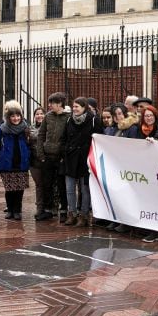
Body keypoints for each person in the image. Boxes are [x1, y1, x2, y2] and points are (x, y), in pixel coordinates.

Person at [62, 97, 104, 227]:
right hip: (71, 158)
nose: (74, 109)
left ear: (84, 107)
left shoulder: (93, 120)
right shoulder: (69, 120)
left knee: (85, 189)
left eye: (77, 107)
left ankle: (84, 215)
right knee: (69, 188)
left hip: (85, 159)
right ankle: (72, 213)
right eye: (73, 107)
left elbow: (98, 138)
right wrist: (66, 151)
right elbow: (64, 137)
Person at [0, 101, 31, 220]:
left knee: (20, 188)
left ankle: (18, 211)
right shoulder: (3, 129)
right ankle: (10, 209)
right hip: (7, 163)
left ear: (21, 116)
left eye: (18, 115)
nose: (16, 118)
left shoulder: (25, 128)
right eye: (13, 116)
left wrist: (28, 153)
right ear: (8, 117)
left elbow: (31, 142)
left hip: (21, 162)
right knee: (10, 188)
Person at [36, 92, 70, 222]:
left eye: (52, 103)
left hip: (61, 158)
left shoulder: (68, 117)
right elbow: (41, 135)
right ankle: (47, 210)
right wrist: (41, 155)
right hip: (47, 157)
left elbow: (69, 138)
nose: (49, 105)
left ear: (60, 103)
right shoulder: (48, 117)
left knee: (62, 185)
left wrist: (64, 156)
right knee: (47, 184)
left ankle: (63, 211)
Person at [28, 107, 46, 220]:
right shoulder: (29, 128)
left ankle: (50, 207)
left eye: (41, 113)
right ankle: (40, 208)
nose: (39, 116)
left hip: (47, 160)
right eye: (37, 114)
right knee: (39, 185)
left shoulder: (49, 127)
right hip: (34, 161)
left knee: (49, 185)